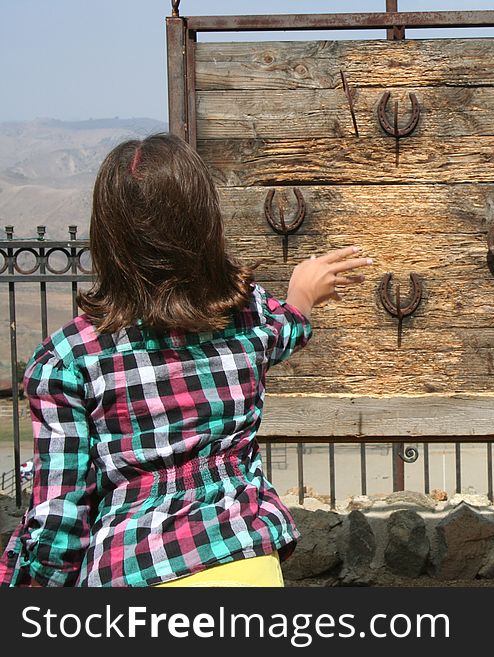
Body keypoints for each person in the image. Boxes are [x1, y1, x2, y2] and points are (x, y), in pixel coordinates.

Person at [0, 133, 372, 587]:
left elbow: (59, 515)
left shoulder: (67, 360)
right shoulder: (246, 319)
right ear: (205, 223)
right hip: (245, 559)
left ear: (107, 234)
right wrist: (301, 295)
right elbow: (283, 330)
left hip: (132, 568)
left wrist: (39, 581)